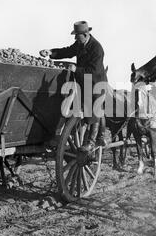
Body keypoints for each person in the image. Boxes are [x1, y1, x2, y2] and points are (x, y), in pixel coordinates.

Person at [40, 21, 108, 153]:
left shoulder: (97, 48)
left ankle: (92, 142)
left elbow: (93, 71)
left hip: (96, 82)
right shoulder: (79, 44)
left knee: (93, 108)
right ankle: (62, 135)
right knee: (70, 105)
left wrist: (77, 69)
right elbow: (67, 51)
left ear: (86, 34)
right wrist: (50, 52)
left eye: (77, 36)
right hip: (83, 81)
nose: (76, 38)